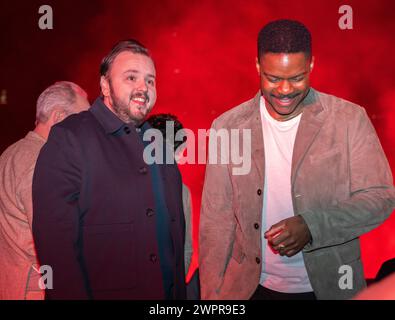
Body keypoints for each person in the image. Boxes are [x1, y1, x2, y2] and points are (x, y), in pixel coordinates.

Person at [199, 19, 395, 300]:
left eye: (297, 77)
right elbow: (215, 222)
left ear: (312, 65)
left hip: (329, 288)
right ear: (257, 66)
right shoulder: (227, 127)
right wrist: (212, 298)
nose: (285, 90)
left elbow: (381, 197)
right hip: (250, 290)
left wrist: (312, 226)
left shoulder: (349, 119)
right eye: (273, 78)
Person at [32, 40, 187, 300]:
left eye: (150, 80)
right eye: (131, 77)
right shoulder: (71, 138)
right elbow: (56, 247)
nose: (143, 88)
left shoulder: (159, 146)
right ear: (105, 85)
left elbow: (174, 239)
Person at [0, 81, 90, 300]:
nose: (88, 130)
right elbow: (55, 242)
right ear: (59, 118)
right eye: (82, 119)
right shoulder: (43, 163)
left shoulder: (10, 154)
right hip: (36, 291)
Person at [145, 113, 200, 299]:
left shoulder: (181, 190)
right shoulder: (124, 187)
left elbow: (186, 250)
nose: (180, 159)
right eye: (177, 152)